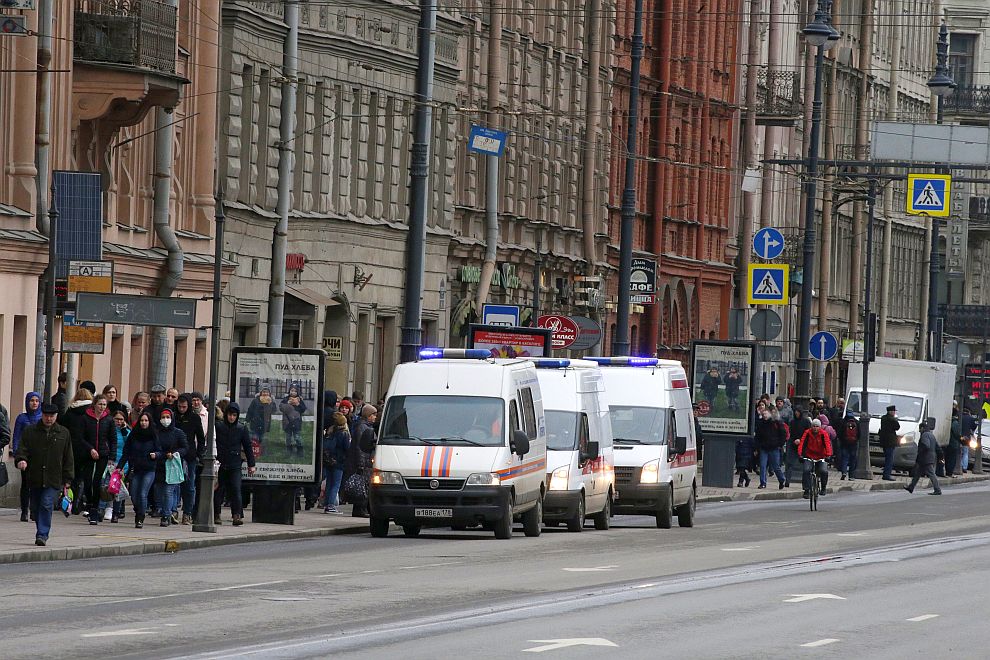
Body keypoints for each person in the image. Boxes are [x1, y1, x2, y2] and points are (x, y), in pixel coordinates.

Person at [15, 403, 74, 546]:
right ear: (42, 415)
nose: (49, 419)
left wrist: (68, 478)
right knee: (35, 507)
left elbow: (68, 457)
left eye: (52, 416)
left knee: (46, 504)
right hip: (34, 476)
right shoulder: (31, 431)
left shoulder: (63, 433)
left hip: (53, 477)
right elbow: (22, 449)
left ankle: (42, 534)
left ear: (56, 416)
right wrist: (21, 460)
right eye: (46, 415)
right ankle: (38, 522)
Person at [214, 402, 255, 526]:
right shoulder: (219, 426)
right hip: (220, 462)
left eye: (234, 415)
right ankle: (216, 514)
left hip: (235, 463)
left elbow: (248, 446)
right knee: (218, 490)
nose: (231, 417)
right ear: (226, 414)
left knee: (236, 489)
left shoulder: (241, 428)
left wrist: (251, 464)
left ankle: (237, 515)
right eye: (230, 415)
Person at [119, 411, 160, 529]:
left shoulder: (153, 435)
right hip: (136, 469)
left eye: (146, 421)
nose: (143, 423)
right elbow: (126, 453)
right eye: (142, 420)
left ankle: (140, 517)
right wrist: (120, 467)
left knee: (142, 493)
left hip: (149, 469)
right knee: (133, 494)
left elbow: (160, 451)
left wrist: (156, 454)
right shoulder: (133, 435)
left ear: (149, 422)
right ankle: (138, 510)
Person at [80, 394, 116, 525]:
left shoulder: (109, 420)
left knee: (97, 481)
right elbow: (81, 438)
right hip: (88, 454)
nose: (102, 407)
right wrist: (90, 449)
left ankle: (94, 509)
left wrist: (112, 456)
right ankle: (89, 503)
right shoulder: (85, 418)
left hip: (103, 454)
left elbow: (113, 439)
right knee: (87, 481)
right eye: (100, 404)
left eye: (104, 405)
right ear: (94, 404)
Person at [60, 388, 94, 514]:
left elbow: (63, 428)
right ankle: (83, 501)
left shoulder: (70, 412)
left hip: (72, 448)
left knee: (73, 476)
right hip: (87, 448)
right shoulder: (90, 412)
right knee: (86, 477)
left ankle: (73, 502)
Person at [152, 409, 187, 527]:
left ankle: (166, 515)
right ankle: (164, 510)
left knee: (168, 492)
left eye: (168, 417)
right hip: (159, 466)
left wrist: (175, 453)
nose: (165, 419)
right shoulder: (156, 433)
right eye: (163, 417)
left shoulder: (178, 433)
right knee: (159, 491)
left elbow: (185, 448)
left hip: (172, 466)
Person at [175, 394, 205, 525]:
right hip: (175, 455)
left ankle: (188, 513)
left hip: (190, 456)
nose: (181, 409)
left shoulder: (194, 418)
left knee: (189, 485)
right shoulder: (174, 416)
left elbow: (201, 438)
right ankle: (173, 510)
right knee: (174, 484)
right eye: (179, 406)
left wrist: (199, 454)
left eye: (184, 407)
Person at [12, 392, 42, 521]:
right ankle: (24, 510)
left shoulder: (43, 417)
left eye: (36, 400)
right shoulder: (22, 418)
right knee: (25, 484)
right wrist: (17, 454)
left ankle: (34, 511)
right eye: (32, 400)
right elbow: (16, 437)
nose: (34, 403)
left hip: (39, 456)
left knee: (37, 485)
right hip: (25, 455)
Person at [345, 404, 378, 518]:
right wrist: (361, 464)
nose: (375, 417)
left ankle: (362, 508)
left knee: (363, 486)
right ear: (368, 415)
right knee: (362, 486)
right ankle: (360, 509)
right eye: (373, 415)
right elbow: (360, 447)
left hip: (366, 461)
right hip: (364, 462)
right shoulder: (363, 428)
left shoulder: (365, 426)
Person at [905, 419, 943, 495]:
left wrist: (921, 451)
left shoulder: (925, 435)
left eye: (920, 429)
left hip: (926, 458)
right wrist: (941, 456)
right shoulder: (931, 435)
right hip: (929, 457)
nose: (919, 431)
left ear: (922, 428)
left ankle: (937, 489)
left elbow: (926, 445)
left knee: (931, 474)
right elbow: (938, 447)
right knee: (917, 473)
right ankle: (911, 487)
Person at [323, 412, 351, 513]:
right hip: (339, 461)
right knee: (336, 484)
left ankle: (326, 503)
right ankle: (331, 505)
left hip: (329, 460)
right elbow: (347, 448)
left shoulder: (330, 432)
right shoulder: (344, 434)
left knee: (329, 483)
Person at [798, 418, 832, 499]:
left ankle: (823, 488)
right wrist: (800, 454)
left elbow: (827, 444)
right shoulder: (807, 433)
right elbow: (802, 443)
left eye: (817, 426)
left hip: (821, 456)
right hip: (809, 455)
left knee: (824, 471)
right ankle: (806, 490)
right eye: (813, 426)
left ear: (819, 427)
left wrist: (828, 455)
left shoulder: (823, 434)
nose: (815, 428)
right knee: (806, 470)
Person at [754, 408, 788, 489]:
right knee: (762, 466)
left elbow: (783, 434)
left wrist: (780, 444)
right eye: (763, 414)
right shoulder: (761, 424)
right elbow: (757, 436)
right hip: (764, 448)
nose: (765, 416)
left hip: (774, 447)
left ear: (770, 414)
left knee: (776, 466)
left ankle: (781, 479)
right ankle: (763, 483)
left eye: (766, 414)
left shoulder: (775, 422)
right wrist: (757, 447)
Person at [110, 410, 130, 522]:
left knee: (118, 487)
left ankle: (116, 512)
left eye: (121, 419)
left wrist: (124, 431)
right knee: (109, 487)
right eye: (116, 419)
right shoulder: (110, 430)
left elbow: (129, 444)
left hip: (123, 462)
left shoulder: (126, 431)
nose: (118, 421)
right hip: (111, 461)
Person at [785, 407, 811, 487]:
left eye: (798, 412)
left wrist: (800, 440)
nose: (796, 414)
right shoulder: (792, 422)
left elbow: (808, 433)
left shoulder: (806, 421)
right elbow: (791, 433)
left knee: (805, 465)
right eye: (795, 412)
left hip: (803, 445)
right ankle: (787, 480)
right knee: (789, 463)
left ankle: (805, 483)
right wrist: (794, 440)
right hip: (793, 444)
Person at [246, 386, 277, 450]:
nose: (265, 393)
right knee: (254, 438)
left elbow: (274, 410)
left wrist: (271, 403)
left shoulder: (270, 401)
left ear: (269, 393)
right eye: (264, 392)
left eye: (267, 392)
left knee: (261, 438)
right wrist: (247, 419)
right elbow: (250, 410)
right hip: (255, 422)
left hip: (264, 423)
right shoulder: (255, 400)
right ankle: (253, 451)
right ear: (261, 393)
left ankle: (260, 451)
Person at [878, 404, 900, 481]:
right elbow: (897, 427)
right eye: (894, 411)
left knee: (887, 458)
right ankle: (887, 474)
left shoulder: (883, 418)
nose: (894, 413)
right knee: (889, 459)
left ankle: (886, 474)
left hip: (884, 441)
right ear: (891, 412)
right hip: (890, 442)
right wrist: (895, 419)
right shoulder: (892, 419)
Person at [839, 412, 860, 480]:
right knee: (852, 460)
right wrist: (856, 440)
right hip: (853, 444)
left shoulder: (843, 422)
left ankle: (844, 472)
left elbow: (839, 433)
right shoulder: (856, 422)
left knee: (845, 458)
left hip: (844, 443)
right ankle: (851, 475)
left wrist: (842, 440)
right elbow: (859, 433)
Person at [959, 408, 977, 474]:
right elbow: (974, 427)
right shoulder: (971, 418)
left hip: (959, 437)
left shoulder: (960, 417)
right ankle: (964, 467)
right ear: (968, 412)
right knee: (965, 453)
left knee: (959, 453)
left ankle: (959, 465)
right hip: (967, 437)